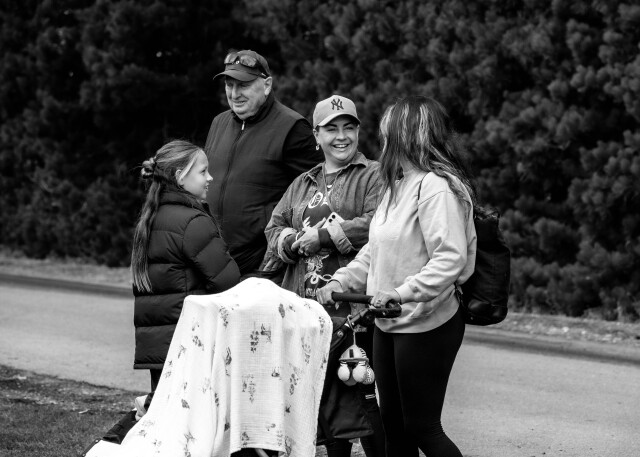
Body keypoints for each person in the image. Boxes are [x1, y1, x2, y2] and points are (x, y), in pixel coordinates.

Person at [317, 96, 478, 457]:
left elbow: (450, 259)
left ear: (408, 135)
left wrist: (401, 293)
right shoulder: (397, 185)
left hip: (426, 323)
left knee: (422, 427)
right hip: (388, 321)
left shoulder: (436, 187)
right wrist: (341, 280)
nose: (383, 137)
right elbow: (375, 251)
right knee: (393, 426)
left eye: (389, 130)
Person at [265, 95, 384, 457]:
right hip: (305, 310)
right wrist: (290, 241)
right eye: (331, 129)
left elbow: (378, 224)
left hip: (353, 311)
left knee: (361, 397)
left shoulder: (374, 174)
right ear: (316, 136)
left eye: (349, 127)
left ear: (359, 131)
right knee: (322, 401)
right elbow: (274, 226)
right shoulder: (302, 182)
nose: (341, 136)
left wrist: (324, 235)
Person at [131, 140, 241, 392]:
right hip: (190, 343)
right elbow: (228, 283)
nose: (210, 178)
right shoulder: (192, 222)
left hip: (160, 346)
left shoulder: (150, 218)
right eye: (203, 171)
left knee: (164, 408)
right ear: (180, 177)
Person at [204, 49, 323, 280]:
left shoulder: (292, 127)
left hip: (263, 269)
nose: (235, 94)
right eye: (229, 85)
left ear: (267, 85)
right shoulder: (219, 122)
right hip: (214, 265)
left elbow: (319, 196)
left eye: (243, 85)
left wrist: (283, 246)